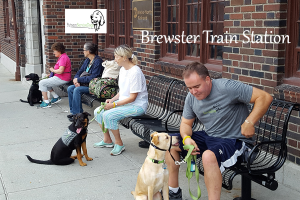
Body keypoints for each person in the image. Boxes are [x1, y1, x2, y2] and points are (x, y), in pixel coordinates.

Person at [165, 62, 273, 200]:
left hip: (235, 140)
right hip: (211, 136)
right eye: (189, 88)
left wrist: (249, 122)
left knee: (208, 156)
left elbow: (264, 97)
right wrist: (186, 138)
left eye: (197, 86)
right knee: (171, 143)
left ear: (208, 79)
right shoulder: (191, 97)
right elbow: (186, 123)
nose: (193, 92)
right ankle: (174, 193)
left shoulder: (226, 87)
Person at [93, 44, 148, 156]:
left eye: (116, 56)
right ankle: (107, 140)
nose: (115, 59)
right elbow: (122, 91)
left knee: (109, 115)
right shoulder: (123, 69)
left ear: (124, 57)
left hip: (137, 106)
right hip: (125, 104)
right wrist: (112, 100)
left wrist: (113, 106)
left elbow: (133, 97)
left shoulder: (135, 72)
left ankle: (119, 144)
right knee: (97, 111)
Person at [67, 42, 103, 120]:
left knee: (77, 90)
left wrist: (79, 79)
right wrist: (76, 80)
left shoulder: (98, 61)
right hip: (84, 83)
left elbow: (93, 77)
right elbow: (80, 71)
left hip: (93, 86)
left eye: (84, 50)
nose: (83, 51)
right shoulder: (87, 60)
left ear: (88, 51)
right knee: (70, 88)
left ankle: (79, 115)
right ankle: (73, 112)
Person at [38, 42, 72, 108]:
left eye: (54, 51)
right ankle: (56, 97)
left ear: (59, 51)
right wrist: (52, 73)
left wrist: (53, 70)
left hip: (62, 78)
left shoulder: (63, 58)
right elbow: (60, 71)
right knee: (46, 83)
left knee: (42, 83)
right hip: (61, 77)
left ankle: (46, 102)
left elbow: (61, 71)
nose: (53, 53)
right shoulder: (62, 57)